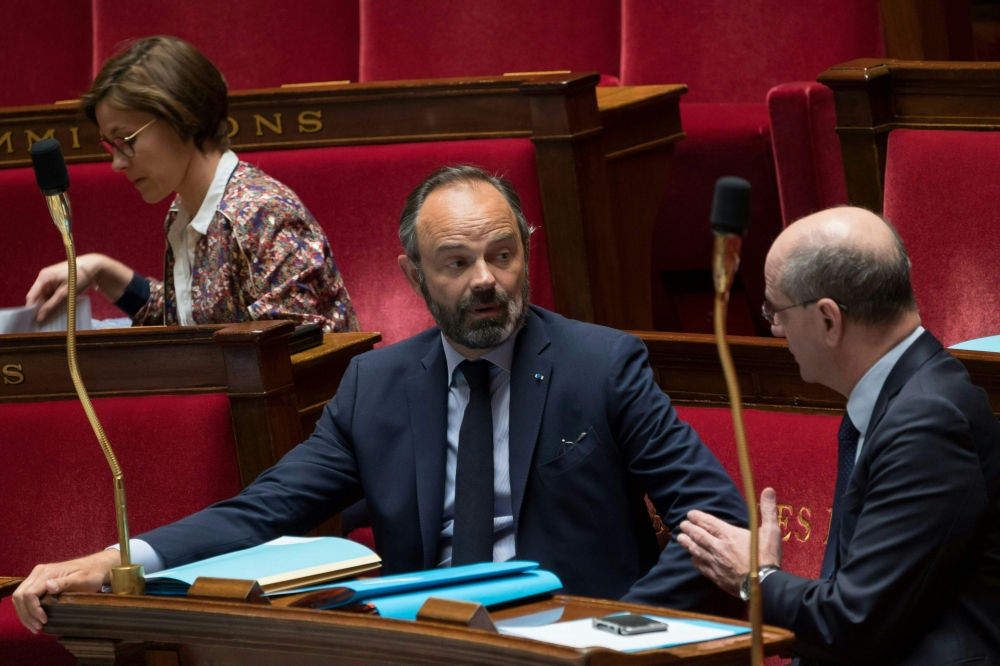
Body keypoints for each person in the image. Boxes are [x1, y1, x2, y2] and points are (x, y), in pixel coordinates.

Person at [13, 165, 748, 633]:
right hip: (427, 646)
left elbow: (719, 520)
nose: (485, 279)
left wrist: (623, 626)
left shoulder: (601, 365)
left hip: (573, 646)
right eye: (456, 263)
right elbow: (264, 509)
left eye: (502, 254)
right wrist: (119, 558)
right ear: (412, 275)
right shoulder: (377, 386)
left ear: (527, 249)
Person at [677, 207, 1000, 665]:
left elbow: (854, 624)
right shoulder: (903, 397)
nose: (774, 328)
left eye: (776, 310)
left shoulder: (928, 424)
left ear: (829, 320)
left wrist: (757, 578)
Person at [25, 36, 359, 333]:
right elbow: (188, 323)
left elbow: (299, 357)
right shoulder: (183, 210)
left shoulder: (259, 214)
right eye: (111, 146)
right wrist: (101, 270)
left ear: (183, 117)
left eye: (126, 140)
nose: (118, 163)